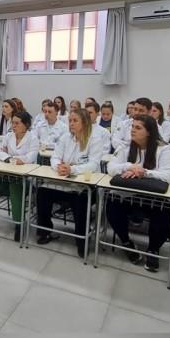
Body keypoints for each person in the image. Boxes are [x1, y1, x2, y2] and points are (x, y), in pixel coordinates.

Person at [106, 115, 170, 271]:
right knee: (111, 202)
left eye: (138, 128)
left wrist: (144, 172)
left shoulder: (163, 149)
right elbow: (111, 168)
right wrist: (129, 166)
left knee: (165, 211)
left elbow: (169, 176)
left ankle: (153, 249)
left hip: (153, 198)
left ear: (149, 132)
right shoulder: (125, 147)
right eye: (132, 126)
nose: (132, 130)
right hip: (128, 195)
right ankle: (126, 243)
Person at [34, 108, 107, 258]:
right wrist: (58, 167)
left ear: (85, 123)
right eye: (70, 120)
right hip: (64, 182)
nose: (71, 124)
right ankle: (45, 231)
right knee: (42, 192)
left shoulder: (95, 140)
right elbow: (54, 157)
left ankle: (81, 240)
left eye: (75, 121)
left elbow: (93, 164)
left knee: (81, 200)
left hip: (85, 187)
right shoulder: (65, 138)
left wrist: (72, 169)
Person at [0, 111, 39, 241]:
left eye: (17, 123)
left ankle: (18, 224)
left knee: (15, 186)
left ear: (26, 125)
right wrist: (9, 159)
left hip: (24, 180)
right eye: (13, 123)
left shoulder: (33, 138)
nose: (13, 126)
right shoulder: (9, 136)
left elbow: (31, 157)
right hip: (6, 175)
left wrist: (18, 158)